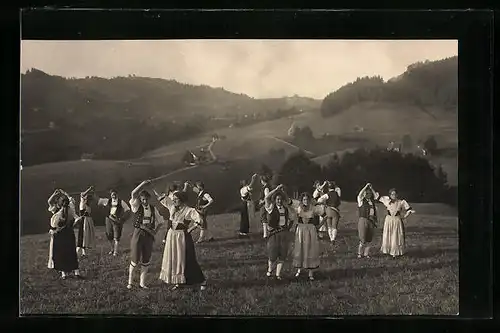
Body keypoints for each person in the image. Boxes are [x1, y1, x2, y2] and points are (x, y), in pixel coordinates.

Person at [159, 190, 207, 291]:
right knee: (174, 258)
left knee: (188, 259)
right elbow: (161, 197)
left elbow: (200, 221)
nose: (174, 201)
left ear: (182, 200)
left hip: (183, 237)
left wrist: (191, 228)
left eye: (176, 199)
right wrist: (151, 185)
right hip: (171, 236)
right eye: (173, 199)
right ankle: (178, 282)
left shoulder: (189, 210)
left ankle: (202, 280)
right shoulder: (172, 207)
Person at [127, 180, 165, 289]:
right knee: (135, 258)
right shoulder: (136, 206)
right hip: (138, 234)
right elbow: (133, 193)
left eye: (146, 199)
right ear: (140, 199)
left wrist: (155, 231)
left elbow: (161, 222)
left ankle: (142, 283)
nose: (144, 201)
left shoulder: (153, 209)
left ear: (149, 199)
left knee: (146, 259)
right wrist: (143, 183)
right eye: (142, 199)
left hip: (149, 236)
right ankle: (130, 282)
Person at [47, 189, 83, 280]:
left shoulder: (56, 213)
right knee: (71, 252)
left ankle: (64, 274)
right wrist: (64, 193)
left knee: (62, 253)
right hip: (69, 233)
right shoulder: (71, 209)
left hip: (60, 235)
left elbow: (54, 226)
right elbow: (70, 199)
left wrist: (55, 194)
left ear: (59, 203)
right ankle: (76, 272)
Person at [291, 192, 325, 280]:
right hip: (301, 230)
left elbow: (325, 215)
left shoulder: (313, 208)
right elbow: (289, 204)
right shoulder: (299, 208)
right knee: (300, 248)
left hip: (311, 231)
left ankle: (311, 273)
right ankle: (299, 270)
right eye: (304, 199)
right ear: (302, 200)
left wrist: (318, 226)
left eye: (307, 199)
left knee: (310, 249)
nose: (306, 201)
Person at [263, 184, 294, 280]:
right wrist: (276, 189)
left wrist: (288, 228)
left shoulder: (285, 209)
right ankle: (270, 270)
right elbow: (266, 198)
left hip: (283, 234)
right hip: (274, 234)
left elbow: (291, 218)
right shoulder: (271, 207)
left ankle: (278, 275)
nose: (279, 201)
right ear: (275, 200)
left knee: (283, 254)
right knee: (272, 254)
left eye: (280, 199)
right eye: (277, 199)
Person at [378, 188, 416, 258]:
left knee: (395, 235)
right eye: (392, 194)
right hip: (388, 220)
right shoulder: (387, 201)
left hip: (397, 220)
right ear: (390, 195)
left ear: (397, 195)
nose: (393, 195)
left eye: (395, 194)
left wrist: (407, 214)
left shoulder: (401, 202)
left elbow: (408, 209)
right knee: (388, 234)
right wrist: (371, 188)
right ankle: (388, 250)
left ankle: (394, 252)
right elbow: (377, 196)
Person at [97, 189, 131, 256]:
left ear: (117, 194)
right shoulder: (107, 201)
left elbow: (128, 210)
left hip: (116, 220)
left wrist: (122, 219)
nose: (113, 196)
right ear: (110, 195)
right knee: (109, 234)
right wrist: (93, 191)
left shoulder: (121, 202)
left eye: (115, 194)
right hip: (109, 219)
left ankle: (115, 251)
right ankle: (112, 249)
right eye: (112, 194)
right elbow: (98, 201)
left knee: (117, 235)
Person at [356, 183, 379, 259]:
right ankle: (360, 253)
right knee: (362, 238)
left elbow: (376, 196)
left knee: (369, 238)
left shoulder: (372, 201)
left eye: (369, 193)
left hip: (371, 220)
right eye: (367, 193)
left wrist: (371, 188)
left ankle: (366, 254)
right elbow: (360, 195)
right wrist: (365, 187)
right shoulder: (361, 201)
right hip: (363, 220)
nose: (368, 194)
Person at [75, 186, 96, 257]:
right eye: (87, 199)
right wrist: (89, 189)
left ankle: (84, 253)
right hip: (83, 221)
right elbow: (82, 194)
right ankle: (76, 252)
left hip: (88, 221)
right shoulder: (82, 204)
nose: (88, 200)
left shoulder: (88, 206)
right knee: (82, 235)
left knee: (85, 236)